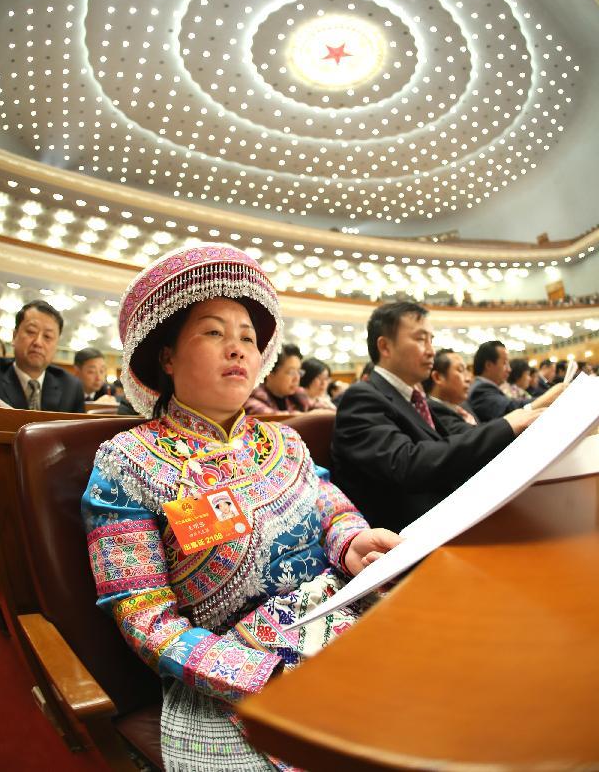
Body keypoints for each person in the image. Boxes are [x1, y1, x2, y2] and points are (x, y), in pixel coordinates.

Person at [82, 244, 400, 772]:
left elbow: (334, 513)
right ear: (166, 356)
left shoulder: (287, 443)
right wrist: (260, 673)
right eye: (213, 332)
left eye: (248, 338)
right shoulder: (127, 462)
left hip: (340, 616)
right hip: (231, 672)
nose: (238, 350)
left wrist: (352, 543)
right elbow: (143, 616)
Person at [331, 301, 548, 532]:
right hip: (407, 538)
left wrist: (516, 422)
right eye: (420, 339)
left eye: (431, 340)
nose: (431, 350)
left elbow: (458, 439)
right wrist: (507, 424)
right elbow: (409, 464)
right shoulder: (362, 397)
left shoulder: (412, 396)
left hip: (449, 516)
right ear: (385, 347)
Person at [0, 300, 84, 413]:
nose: (38, 342)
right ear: (15, 336)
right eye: (31, 331)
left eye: (48, 336)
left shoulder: (71, 387)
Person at [468, 341, 563, 422]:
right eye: (504, 363)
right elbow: (510, 410)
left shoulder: (485, 386)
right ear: (488, 365)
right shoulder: (480, 389)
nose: (509, 369)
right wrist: (548, 397)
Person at [244, 343, 311, 414]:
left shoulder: (297, 395)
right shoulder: (253, 397)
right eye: (292, 372)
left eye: (299, 372)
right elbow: (273, 417)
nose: (297, 378)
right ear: (270, 373)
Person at [422, 348, 478, 433]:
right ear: (438, 377)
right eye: (460, 370)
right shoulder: (431, 412)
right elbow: (474, 436)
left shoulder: (462, 405)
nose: (469, 379)